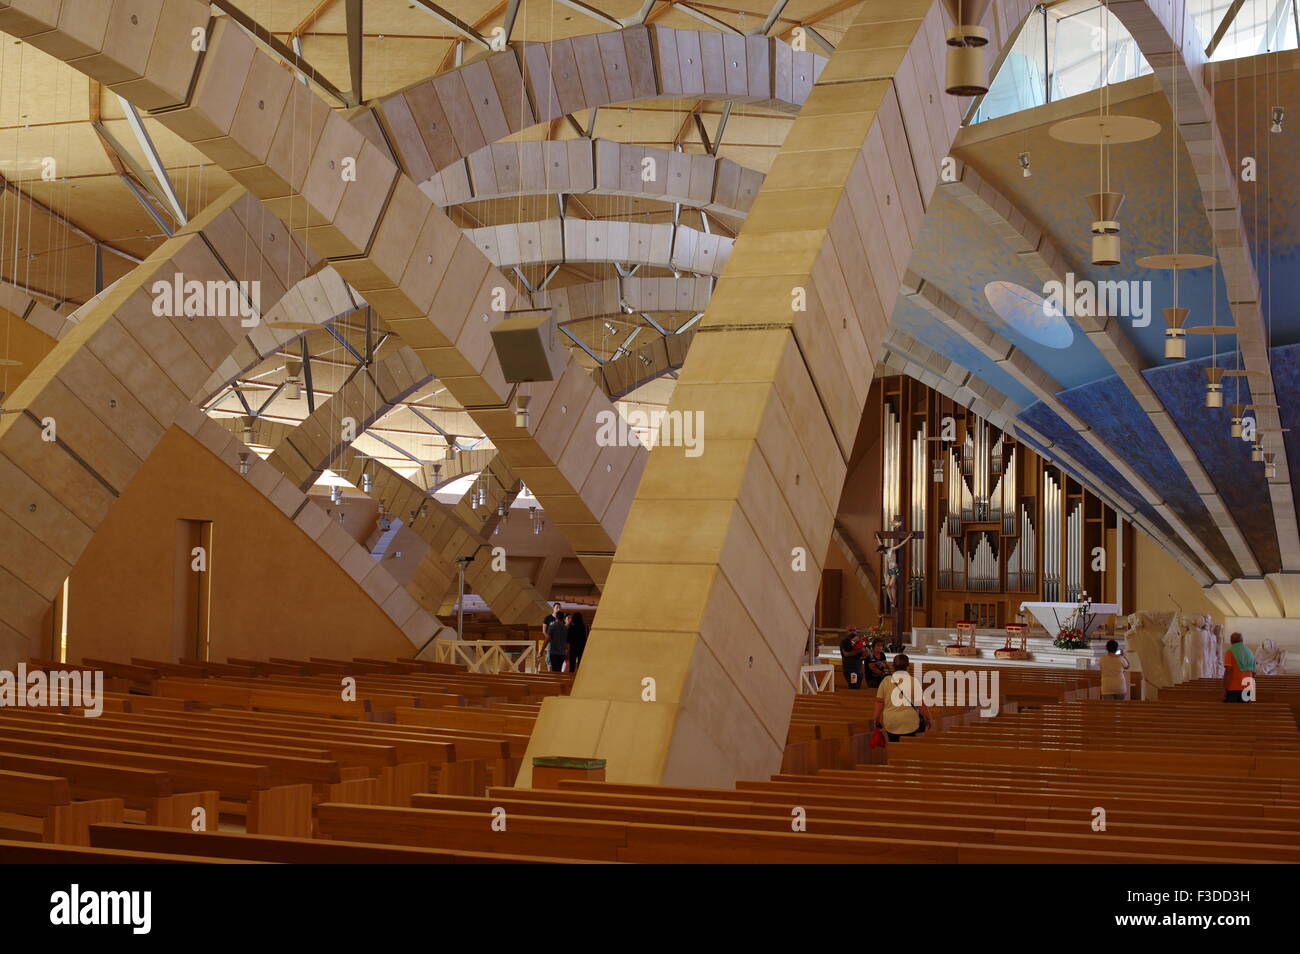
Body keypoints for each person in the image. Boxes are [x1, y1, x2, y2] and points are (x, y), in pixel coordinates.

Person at [873, 654, 931, 742]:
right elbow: (921, 704)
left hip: (891, 721)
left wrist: (876, 718)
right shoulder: (913, 681)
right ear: (908, 666)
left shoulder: (886, 681)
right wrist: (928, 718)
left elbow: (880, 703)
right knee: (907, 750)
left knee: (893, 747)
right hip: (909, 722)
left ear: (893, 666)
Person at [1223, 632, 1256, 703]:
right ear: (1242, 640)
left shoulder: (1230, 652)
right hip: (1248, 687)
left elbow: (1228, 671)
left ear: (1231, 641)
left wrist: (1224, 687)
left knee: (1232, 712)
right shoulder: (1250, 653)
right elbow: (1254, 673)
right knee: (1245, 712)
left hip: (1233, 687)